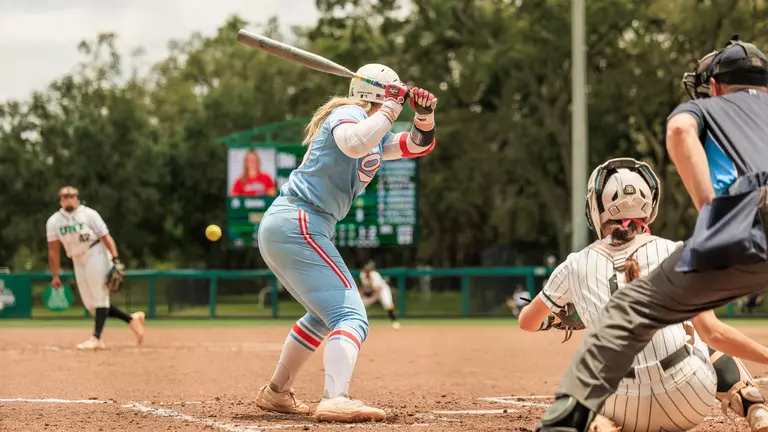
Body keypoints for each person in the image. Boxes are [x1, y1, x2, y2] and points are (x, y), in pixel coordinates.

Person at [534, 36, 768, 432]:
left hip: (749, 223)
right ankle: (752, 404)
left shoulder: (709, 107)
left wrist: (711, 210)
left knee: (624, 326)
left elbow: (678, 131)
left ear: (715, 84)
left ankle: (578, 423)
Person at [520, 158, 768, 432]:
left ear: (596, 207)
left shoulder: (574, 264)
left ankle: (600, 424)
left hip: (620, 405)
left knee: (590, 366)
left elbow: (527, 322)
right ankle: (754, 406)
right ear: (649, 206)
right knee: (702, 337)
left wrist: (558, 320)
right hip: (688, 400)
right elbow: (716, 334)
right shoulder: (676, 250)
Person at [254, 64, 438, 422]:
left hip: (296, 223)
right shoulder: (347, 114)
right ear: (381, 94)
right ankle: (336, 397)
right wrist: (392, 106)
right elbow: (353, 144)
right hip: (300, 220)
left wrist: (425, 117)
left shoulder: (371, 130)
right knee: (351, 315)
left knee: (324, 317)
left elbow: (416, 147)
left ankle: (277, 392)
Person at [46, 186, 145, 350]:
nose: (68, 199)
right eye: (65, 197)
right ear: (60, 200)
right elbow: (53, 249)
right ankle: (131, 319)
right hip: (77, 259)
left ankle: (96, 338)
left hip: (95, 252)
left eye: (72, 196)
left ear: (77, 198)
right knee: (91, 305)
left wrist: (116, 259)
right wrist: (55, 274)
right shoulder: (54, 221)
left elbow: (106, 237)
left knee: (100, 298)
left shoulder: (89, 214)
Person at [359, 260, 401, 330]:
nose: (367, 271)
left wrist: (372, 297)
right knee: (361, 305)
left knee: (388, 304)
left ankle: (394, 321)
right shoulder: (362, 275)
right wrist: (360, 295)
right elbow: (364, 287)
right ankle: (359, 323)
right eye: (366, 270)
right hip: (373, 292)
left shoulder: (375, 275)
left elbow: (377, 289)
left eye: (368, 270)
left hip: (382, 290)